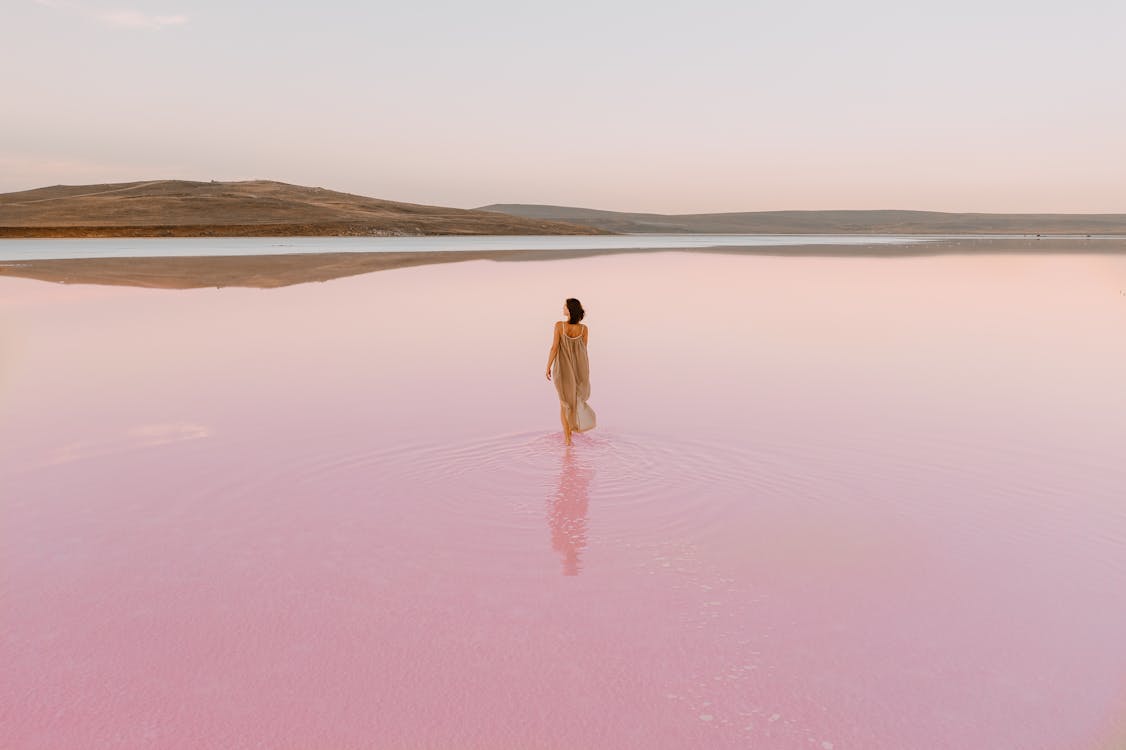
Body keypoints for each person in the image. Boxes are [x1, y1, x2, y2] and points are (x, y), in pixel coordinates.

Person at [544, 298, 597, 445]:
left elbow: (554, 348)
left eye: (565, 306)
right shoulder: (584, 329)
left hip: (562, 369)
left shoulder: (559, 326)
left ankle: (567, 438)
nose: (563, 308)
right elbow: (583, 351)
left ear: (569, 310)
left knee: (564, 403)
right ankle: (572, 431)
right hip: (579, 369)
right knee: (573, 401)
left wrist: (548, 366)